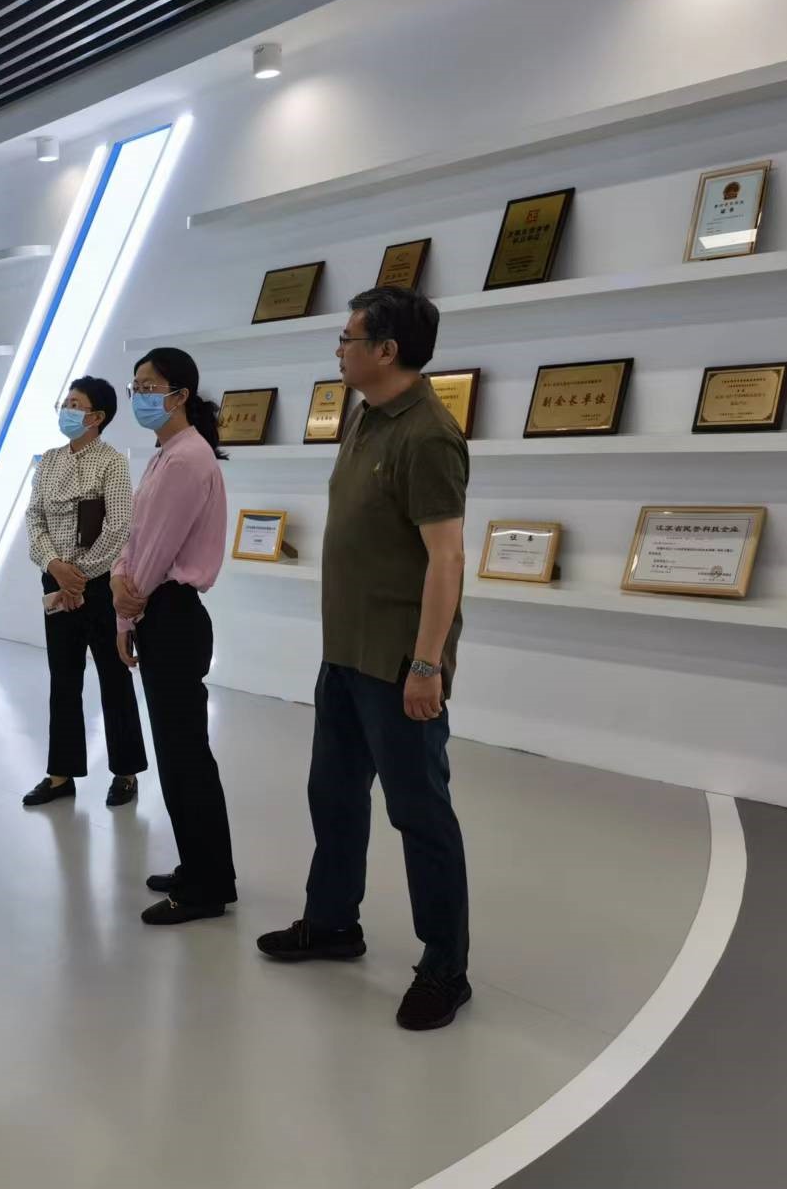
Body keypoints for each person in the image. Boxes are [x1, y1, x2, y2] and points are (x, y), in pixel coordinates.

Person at [256, 286, 473, 1032]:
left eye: (348, 338)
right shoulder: (364, 415)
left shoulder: (429, 436)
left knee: (420, 813)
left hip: (399, 663)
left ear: (386, 350)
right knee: (335, 796)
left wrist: (427, 666)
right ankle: (332, 923)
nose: (339, 350)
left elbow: (447, 559)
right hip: (345, 654)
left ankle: (445, 966)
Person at [111, 348, 234, 925]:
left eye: (150, 386)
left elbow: (155, 551)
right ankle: (200, 868)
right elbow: (136, 538)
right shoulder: (169, 453)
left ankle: (208, 885)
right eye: (135, 386)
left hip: (172, 615)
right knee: (177, 752)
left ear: (180, 394)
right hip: (158, 611)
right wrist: (122, 585)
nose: (140, 396)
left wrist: (125, 609)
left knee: (185, 755)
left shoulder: (186, 458)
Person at [22, 376, 146, 808]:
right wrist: (56, 567)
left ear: (97, 417)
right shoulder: (49, 461)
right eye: (66, 402)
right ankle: (61, 774)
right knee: (63, 676)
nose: (67, 410)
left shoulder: (112, 463)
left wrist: (80, 576)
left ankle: (126, 772)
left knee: (114, 676)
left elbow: (119, 527)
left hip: (100, 586)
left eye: (75, 404)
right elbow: (34, 518)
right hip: (56, 582)